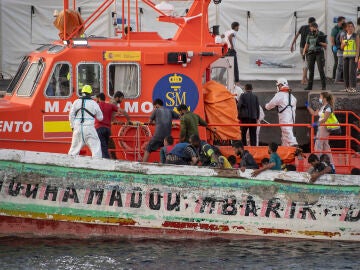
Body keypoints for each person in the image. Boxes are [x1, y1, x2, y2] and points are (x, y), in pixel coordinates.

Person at [68, 85, 103, 158]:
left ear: (82, 92)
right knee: (96, 149)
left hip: (77, 128)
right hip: (89, 128)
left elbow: (71, 115)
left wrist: (72, 127)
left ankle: (70, 166)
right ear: (90, 93)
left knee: (73, 151)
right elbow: (100, 118)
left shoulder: (76, 102)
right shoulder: (94, 103)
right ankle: (97, 166)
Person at [265, 78, 298, 146]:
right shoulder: (292, 97)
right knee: (285, 138)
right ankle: (286, 152)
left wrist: (266, 106)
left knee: (289, 136)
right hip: (291, 120)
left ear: (280, 85)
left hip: (284, 120)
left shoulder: (279, 95)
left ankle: (296, 148)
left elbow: (269, 106)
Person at [306, 92, 335, 164]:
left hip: (324, 127)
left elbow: (325, 119)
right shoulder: (322, 107)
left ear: (324, 98)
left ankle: (316, 162)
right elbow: (315, 113)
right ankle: (331, 163)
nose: (319, 98)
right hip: (321, 127)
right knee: (325, 145)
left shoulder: (328, 107)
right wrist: (308, 107)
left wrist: (315, 124)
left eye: (320, 97)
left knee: (318, 144)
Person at [290, 17, 316, 84]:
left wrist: (292, 44)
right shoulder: (311, 29)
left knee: (305, 63)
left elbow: (296, 36)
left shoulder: (302, 27)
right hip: (307, 48)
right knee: (307, 64)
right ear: (313, 22)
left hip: (301, 48)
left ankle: (305, 78)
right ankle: (303, 79)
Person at [303, 22, 327, 90]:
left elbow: (325, 45)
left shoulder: (321, 34)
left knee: (321, 70)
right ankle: (309, 86)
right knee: (311, 70)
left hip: (319, 52)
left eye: (312, 27)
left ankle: (323, 86)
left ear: (316, 27)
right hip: (311, 53)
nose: (311, 29)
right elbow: (307, 44)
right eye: (311, 28)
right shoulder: (309, 34)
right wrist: (304, 52)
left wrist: (319, 42)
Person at [95, 93, 119, 158]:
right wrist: (128, 119)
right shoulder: (110, 106)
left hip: (99, 128)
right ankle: (109, 158)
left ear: (99, 98)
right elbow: (120, 111)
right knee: (105, 146)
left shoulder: (96, 106)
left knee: (102, 147)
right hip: (108, 129)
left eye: (96, 98)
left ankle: (106, 160)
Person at [108, 91, 131, 159]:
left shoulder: (110, 102)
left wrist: (118, 121)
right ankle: (114, 160)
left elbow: (111, 116)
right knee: (111, 146)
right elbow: (124, 112)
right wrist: (129, 120)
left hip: (106, 125)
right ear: (117, 98)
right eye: (121, 98)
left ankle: (112, 159)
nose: (122, 100)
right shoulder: (113, 103)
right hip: (107, 126)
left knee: (109, 145)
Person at [341, 21, 358, 93]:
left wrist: (357, 56)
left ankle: (353, 87)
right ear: (346, 28)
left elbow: (358, 47)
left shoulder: (355, 36)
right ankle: (347, 87)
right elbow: (341, 47)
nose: (350, 28)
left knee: (352, 72)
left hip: (353, 56)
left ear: (353, 28)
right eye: (349, 26)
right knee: (345, 72)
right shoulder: (344, 36)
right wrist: (344, 44)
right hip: (345, 57)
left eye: (352, 26)